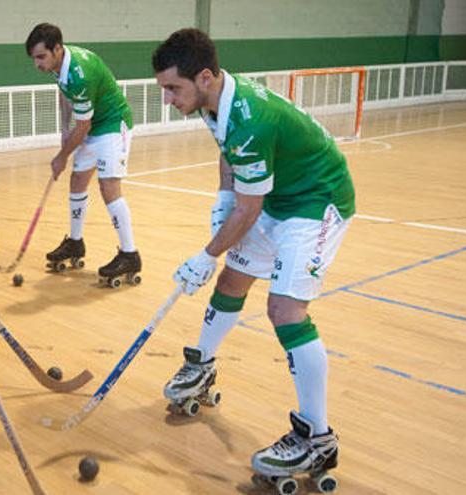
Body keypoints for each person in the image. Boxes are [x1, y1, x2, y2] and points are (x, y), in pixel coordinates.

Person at [152, 28, 352, 486]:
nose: (167, 99)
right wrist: (222, 199)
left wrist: (206, 253)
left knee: (284, 309)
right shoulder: (213, 100)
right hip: (278, 197)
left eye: (172, 88)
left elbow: (250, 208)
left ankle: (316, 438)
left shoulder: (250, 118)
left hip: (316, 202)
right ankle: (201, 366)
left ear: (204, 77)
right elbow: (230, 159)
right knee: (231, 282)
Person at [25, 23, 140, 287]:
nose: (37, 64)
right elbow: (65, 97)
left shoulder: (80, 74)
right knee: (77, 181)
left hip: (111, 124)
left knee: (108, 185)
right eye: (34, 58)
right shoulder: (59, 65)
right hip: (90, 124)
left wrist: (61, 155)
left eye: (41, 57)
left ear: (57, 49)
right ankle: (75, 243)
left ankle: (130, 254)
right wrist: (65, 131)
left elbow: (84, 125)